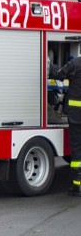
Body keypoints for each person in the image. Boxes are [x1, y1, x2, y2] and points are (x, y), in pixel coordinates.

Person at [49, 55, 81, 196]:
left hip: (77, 116)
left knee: (77, 150)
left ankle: (77, 185)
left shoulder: (76, 64)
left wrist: (49, 63)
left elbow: (59, 74)